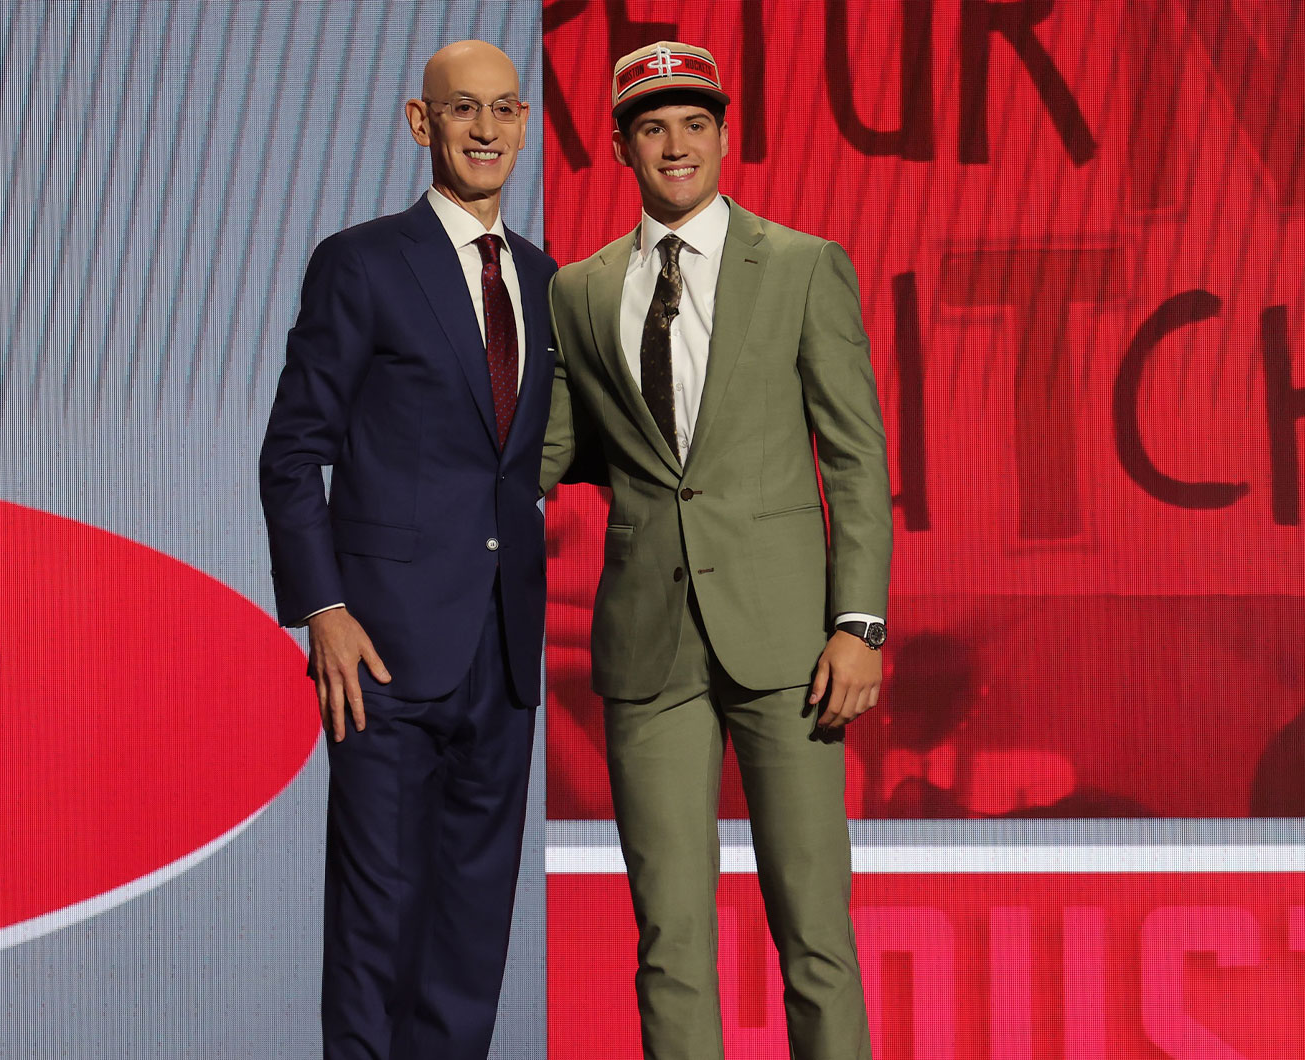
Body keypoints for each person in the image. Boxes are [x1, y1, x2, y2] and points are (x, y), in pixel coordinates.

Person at [541, 40, 892, 1060]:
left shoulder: (800, 265)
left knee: (816, 931)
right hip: (650, 642)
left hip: (791, 645)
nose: (677, 143)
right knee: (669, 939)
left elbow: (858, 460)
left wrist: (858, 623)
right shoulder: (579, 290)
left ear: (725, 134)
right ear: (620, 146)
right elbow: (552, 451)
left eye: (695, 122)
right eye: (653, 126)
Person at [258, 40, 554, 1060]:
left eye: (504, 109)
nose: (484, 129)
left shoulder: (546, 281)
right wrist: (324, 611)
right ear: (419, 122)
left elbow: (532, 457)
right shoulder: (363, 261)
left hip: (504, 655)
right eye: (461, 109)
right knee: (378, 930)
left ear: (526, 124)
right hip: (381, 653)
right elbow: (294, 452)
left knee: (470, 943)